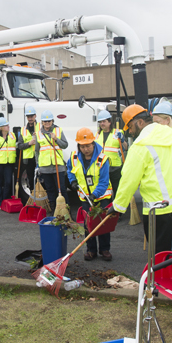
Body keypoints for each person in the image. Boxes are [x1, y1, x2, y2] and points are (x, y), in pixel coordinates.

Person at [108, 104, 172, 254]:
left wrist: (118, 206)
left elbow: (129, 179)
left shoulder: (140, 145)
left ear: (140, 122)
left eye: (130, 127)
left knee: (161, 256)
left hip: (159, 210)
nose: (129, 132)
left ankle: (163, 278)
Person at [67, 128, 113, 261]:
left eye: (88, 145)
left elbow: (104, 182)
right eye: (83, 146)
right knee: (88, 225)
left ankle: (104, 249)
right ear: (79, 146)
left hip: (102, 196)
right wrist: (73, 181)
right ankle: (91, 250)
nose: (86, 149)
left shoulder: (102, 159)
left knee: (103, 224)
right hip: (85, 197)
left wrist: (95, 195)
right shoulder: (74, 157)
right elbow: (70, 170)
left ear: (93, 143)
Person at [36, 110, 69, 208]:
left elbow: (65, 145)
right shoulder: (39, 134)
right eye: (45, 121)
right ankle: (53, 209)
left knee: (62, 189)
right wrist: (37, 165)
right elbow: (37, 151)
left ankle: (66, 209)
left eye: (49, 121)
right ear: (42, 122)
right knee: (50, 189)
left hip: (58, 165)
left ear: (52, 121)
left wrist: (56, 139)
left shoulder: (58, 131)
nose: (47, 123)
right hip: (45, 167)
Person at [97, 109, 126, 197]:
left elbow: (125, 147)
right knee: (105, 190)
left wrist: (122, 140)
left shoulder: (117, 133)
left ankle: (119, 208)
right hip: (102, 166)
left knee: (117, 189)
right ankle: (107, 207)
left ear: (109, 122)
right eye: (100, 122)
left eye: (104, 121)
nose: (102, 123)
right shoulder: (97, 135)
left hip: (115, 167)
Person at [17, 106, 39, 196]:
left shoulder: (41, 127)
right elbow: (20, 146)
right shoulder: (23, 130)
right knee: (30, 178)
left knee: (41, 178)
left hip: (40, 157)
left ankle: (41, 195)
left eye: (31, 116)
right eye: (28, 117)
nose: (30, 118)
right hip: (29, 158)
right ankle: (33, 196)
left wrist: (37, 138)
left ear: (35, 116)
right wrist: (29, 143)